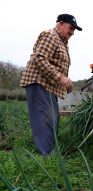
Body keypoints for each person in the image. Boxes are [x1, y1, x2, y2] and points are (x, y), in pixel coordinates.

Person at [20, 14, 82, 156]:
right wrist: (60, 78)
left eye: (74, 30)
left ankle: (49, 151)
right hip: (39, 83)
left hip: (49, 86)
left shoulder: (62, 41)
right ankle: (46, 155)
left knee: (52, 119)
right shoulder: (50, 35)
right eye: (70, 28)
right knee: (44, 119)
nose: (72, 32)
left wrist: (66, 83)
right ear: (60, 24)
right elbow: (39, 58)